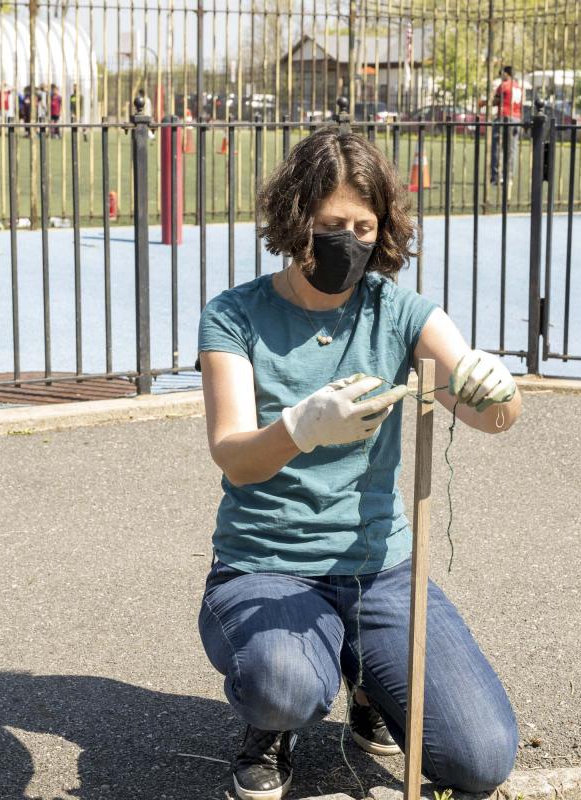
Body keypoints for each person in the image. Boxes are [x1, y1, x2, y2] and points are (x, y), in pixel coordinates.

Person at [196, 127, 521, 800]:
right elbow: (235, 457)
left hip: (382, 569)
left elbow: (489, 414)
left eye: (363, 225)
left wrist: (497, 388)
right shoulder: (235, 316)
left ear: (384, 228)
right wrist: (299, 427)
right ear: (296, 220)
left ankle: (369, 676)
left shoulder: (399, 313)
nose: (349, 240)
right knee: (284, 686)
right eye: (330, 224)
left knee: (482, 759)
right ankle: (274, 724)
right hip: (269, 565)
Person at [489, 65, 524, 188]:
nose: (501, 76)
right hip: (516, 118)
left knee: (497, 147)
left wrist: (490, 98)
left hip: (504, 117)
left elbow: (496, 102)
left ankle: (495, 177)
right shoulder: (518, 87)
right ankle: (508, 177)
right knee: (511, 149)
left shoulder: (503, 86)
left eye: (502, 74)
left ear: (507, 74)